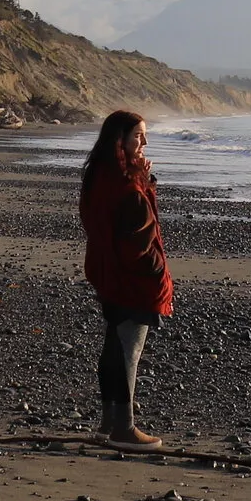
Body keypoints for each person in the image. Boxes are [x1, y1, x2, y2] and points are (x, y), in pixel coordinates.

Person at [79, 109, 173, 451]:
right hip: (132, 280)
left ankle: (107, 423)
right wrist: (156, 270)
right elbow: (139, 236)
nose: (145, 142)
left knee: (113, 348)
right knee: (127, 351)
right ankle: (124, 428)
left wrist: (144, 181)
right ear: (120, 140)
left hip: (107, 273)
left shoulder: (99, 175)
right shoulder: (124, 185)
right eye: (138, 136)